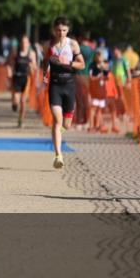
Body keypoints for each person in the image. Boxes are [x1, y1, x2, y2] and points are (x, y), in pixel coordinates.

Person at [43, 16, 85, 169]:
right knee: (57, 120)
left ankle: (57, 135)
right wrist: (45, 75)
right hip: (55, 86)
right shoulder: (49, 45)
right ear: (54, 30)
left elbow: (82, 64)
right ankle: (58, 155)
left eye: (64, 30)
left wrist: (69, 62)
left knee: (66, 124)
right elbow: (45, 63)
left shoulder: (73, 44)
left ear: (68, 30)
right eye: (58, 30)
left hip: (69, 85)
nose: (61, 33)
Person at [8, 34, 37, 118]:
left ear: (29, 43)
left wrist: (32, 66)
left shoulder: (31, 53)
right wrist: (9, 72)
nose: (24, 44)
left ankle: (21, 119)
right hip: (16, 77)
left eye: (26, 42)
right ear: (20, 43)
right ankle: (14, 104)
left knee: (23, 101)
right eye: (22, 42)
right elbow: (10, 64)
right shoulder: (15, 52)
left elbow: (35, 67)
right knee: (16, 100)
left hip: (26, 78)